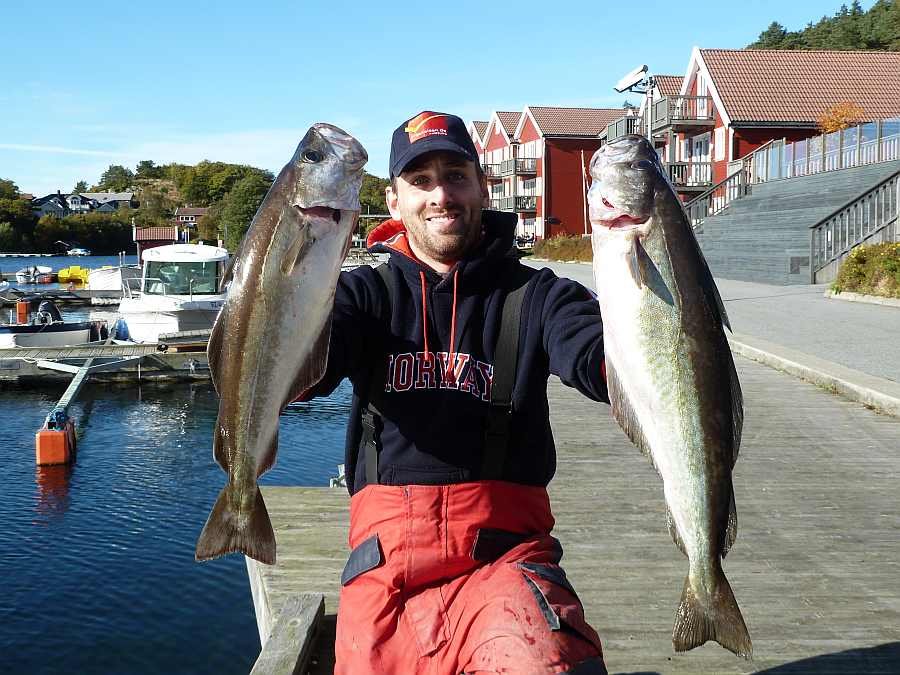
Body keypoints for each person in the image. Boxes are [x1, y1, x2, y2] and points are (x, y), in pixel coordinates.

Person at [304, 111, 610, 674]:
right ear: (394, 203)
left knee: (549, 662)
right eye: (420, 181)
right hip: (385, 565)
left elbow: (599, 360)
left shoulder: (540, 296)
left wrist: (647, 348)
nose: (441, 194)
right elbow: (304, 376)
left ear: (482, 187)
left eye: (456, 175)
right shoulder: (360, 294)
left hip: (504, 561)